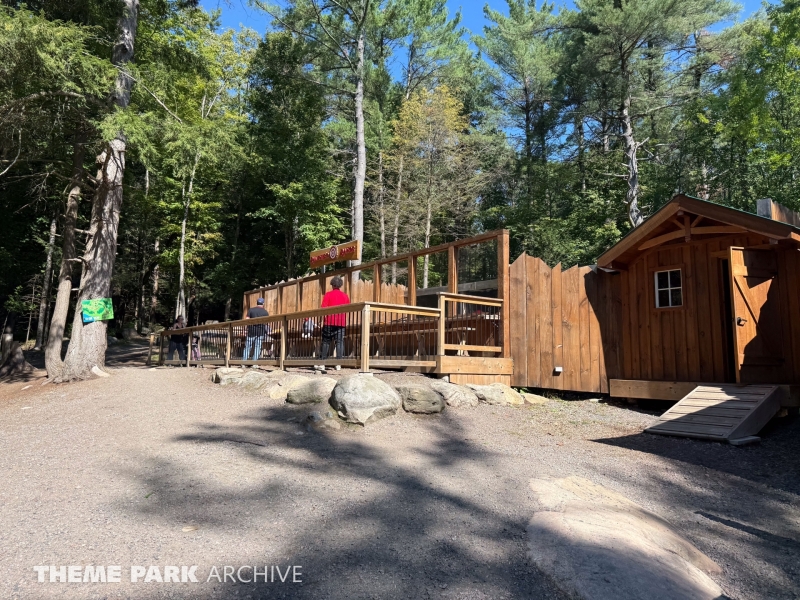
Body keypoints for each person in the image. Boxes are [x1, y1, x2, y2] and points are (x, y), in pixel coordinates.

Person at [316, 276, 349, 372]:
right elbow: (348, 308)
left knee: (326, 341)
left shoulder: (328, 295)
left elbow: (323, 308)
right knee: (339, 342)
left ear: (332, 285)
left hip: (329, 322)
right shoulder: (345, 296)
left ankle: (322, 363)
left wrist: (321, 320)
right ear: (340, 285)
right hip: (341, 323)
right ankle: (338, 363)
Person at [243, 297, 269, 365]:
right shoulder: (265, 312)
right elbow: (265, 323)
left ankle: (243, 362)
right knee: (258, 347)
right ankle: (254, 363)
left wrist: (246, 329)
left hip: (251, 330)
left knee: (248, 346)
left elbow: (247, 319)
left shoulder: (251, 310)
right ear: (263, 303)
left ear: (257, 303)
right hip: (260, 331)